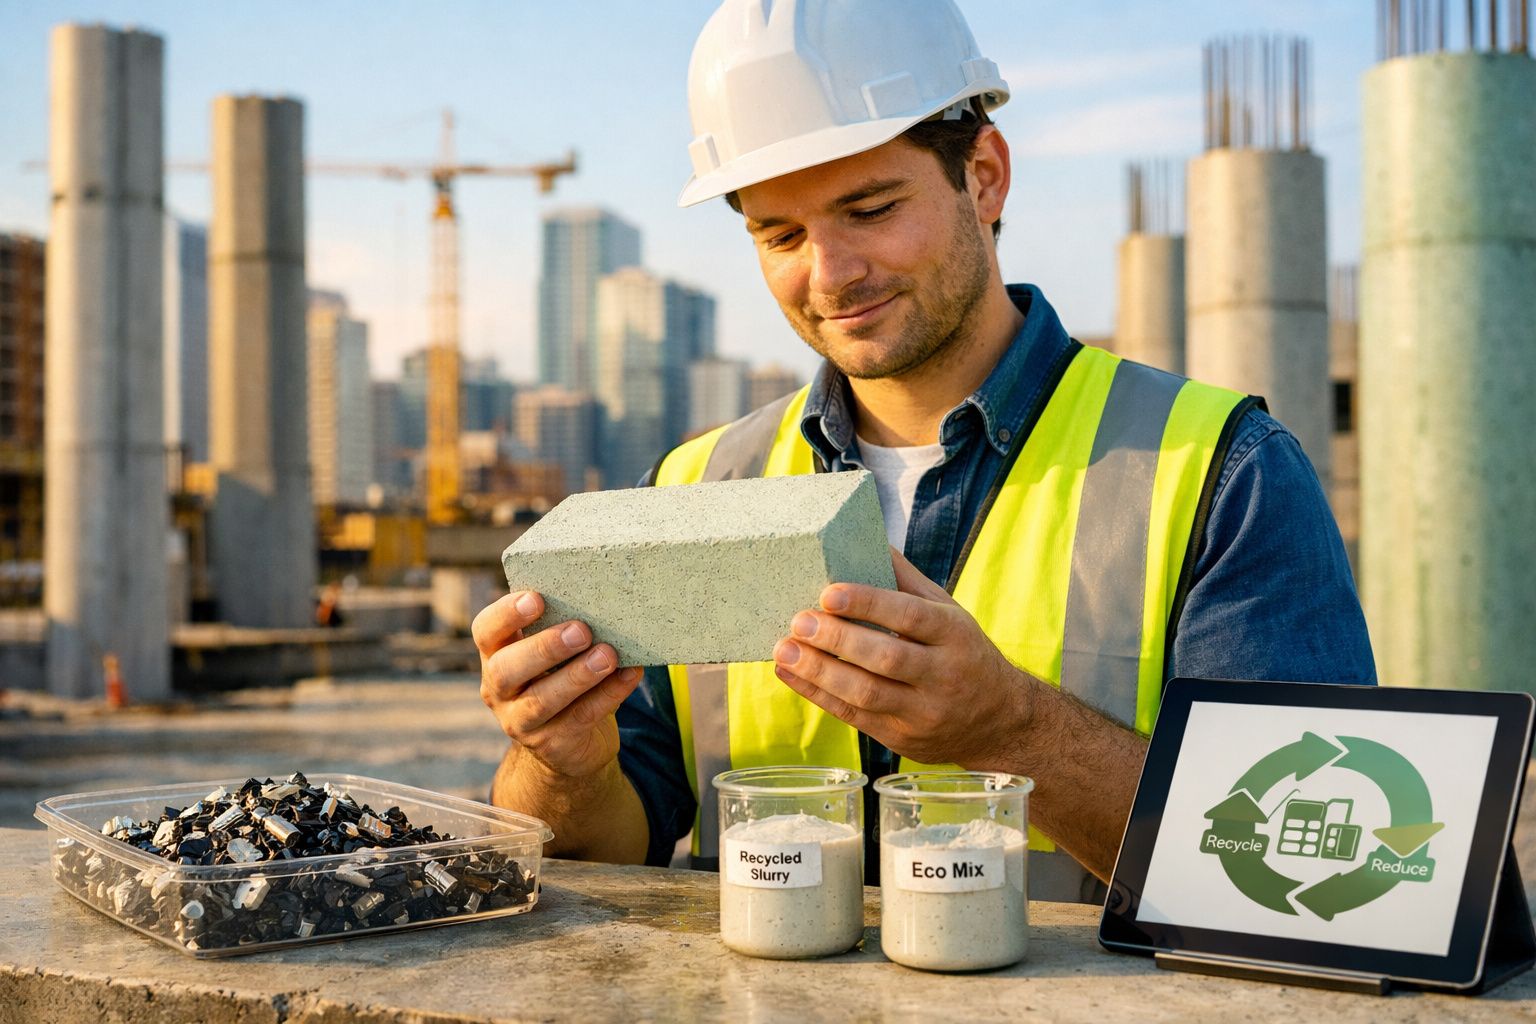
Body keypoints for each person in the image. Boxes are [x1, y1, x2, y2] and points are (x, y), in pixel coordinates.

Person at [472, 0, 1374, 901]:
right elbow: (604, 862)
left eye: (869, 209)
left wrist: (1011, 728)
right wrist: (562, 763)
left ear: (983, 177)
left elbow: (1324, 880)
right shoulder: (689, 489)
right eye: (779, 235)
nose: (829, 274)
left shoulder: (1224, 473)